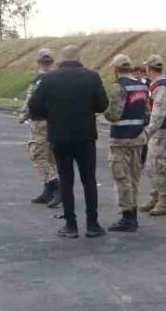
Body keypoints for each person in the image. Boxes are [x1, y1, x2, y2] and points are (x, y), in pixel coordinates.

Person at [27, 45, 109, 239]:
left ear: (61, 59)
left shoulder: (49, 78)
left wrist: (51, 113)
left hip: (59, 135)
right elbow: (102, 105)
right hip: (85, 135)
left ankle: (70, 225)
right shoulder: (92, 77)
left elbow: (34, 105)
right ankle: (92, 224)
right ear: (79, 57)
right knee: (89, 180)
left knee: (66, 180)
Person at [103, 54, 149, 232]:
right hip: (138, 138)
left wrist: (104, 110)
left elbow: (114, 114)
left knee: (122, 178)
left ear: (115, 69)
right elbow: (146, 114)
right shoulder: (142, 85)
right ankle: (133, 216)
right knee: (134, 178)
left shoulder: (118, 86)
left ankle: (127, 218)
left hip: (121, 138)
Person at [20, 48, 61, 207]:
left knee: (37, 155)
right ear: (53, 61)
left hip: (40, 122)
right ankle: (48, 191)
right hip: (55, 121)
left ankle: (56, 187)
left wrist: (24, 115)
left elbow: (32, 100)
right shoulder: (59, 78)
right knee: (50, 157)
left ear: (38, 62)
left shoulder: (39, 79)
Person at [140, 54, 166, 216]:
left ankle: (163, 201)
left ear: (149, 68)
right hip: (158, 131)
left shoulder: (162, 87)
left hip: (161, 131)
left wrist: (147, 132)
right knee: (151, 165)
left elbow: (158, 115)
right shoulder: (157, 84)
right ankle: (155, 197)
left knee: (159, 165)